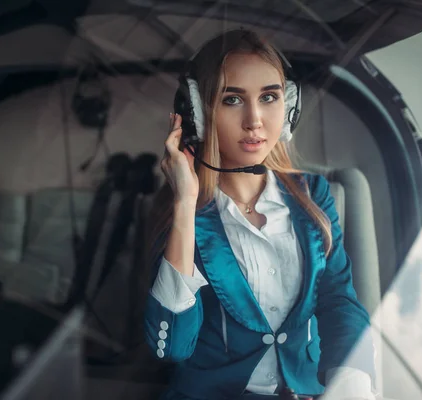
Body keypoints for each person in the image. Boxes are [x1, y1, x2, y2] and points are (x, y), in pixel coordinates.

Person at [143, 29, 376, 400]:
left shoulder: (313, 195)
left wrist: (351, 381)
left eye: (269, 97)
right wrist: (185, 205)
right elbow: (172, 348)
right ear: (198, 114)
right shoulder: (179, 209)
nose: (255, 120)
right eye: (232, 99)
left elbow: (338, 299)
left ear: (289, 108)